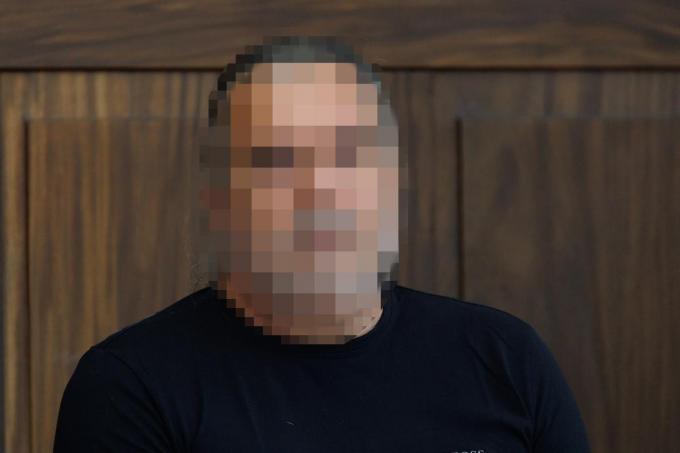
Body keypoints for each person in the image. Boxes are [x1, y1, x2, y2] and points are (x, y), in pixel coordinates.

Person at [53, 36, 591, 452]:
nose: (320, 190)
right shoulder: (131, 388)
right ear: (217, 198)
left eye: (348, 155)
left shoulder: (506, 359)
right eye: (277, 161)